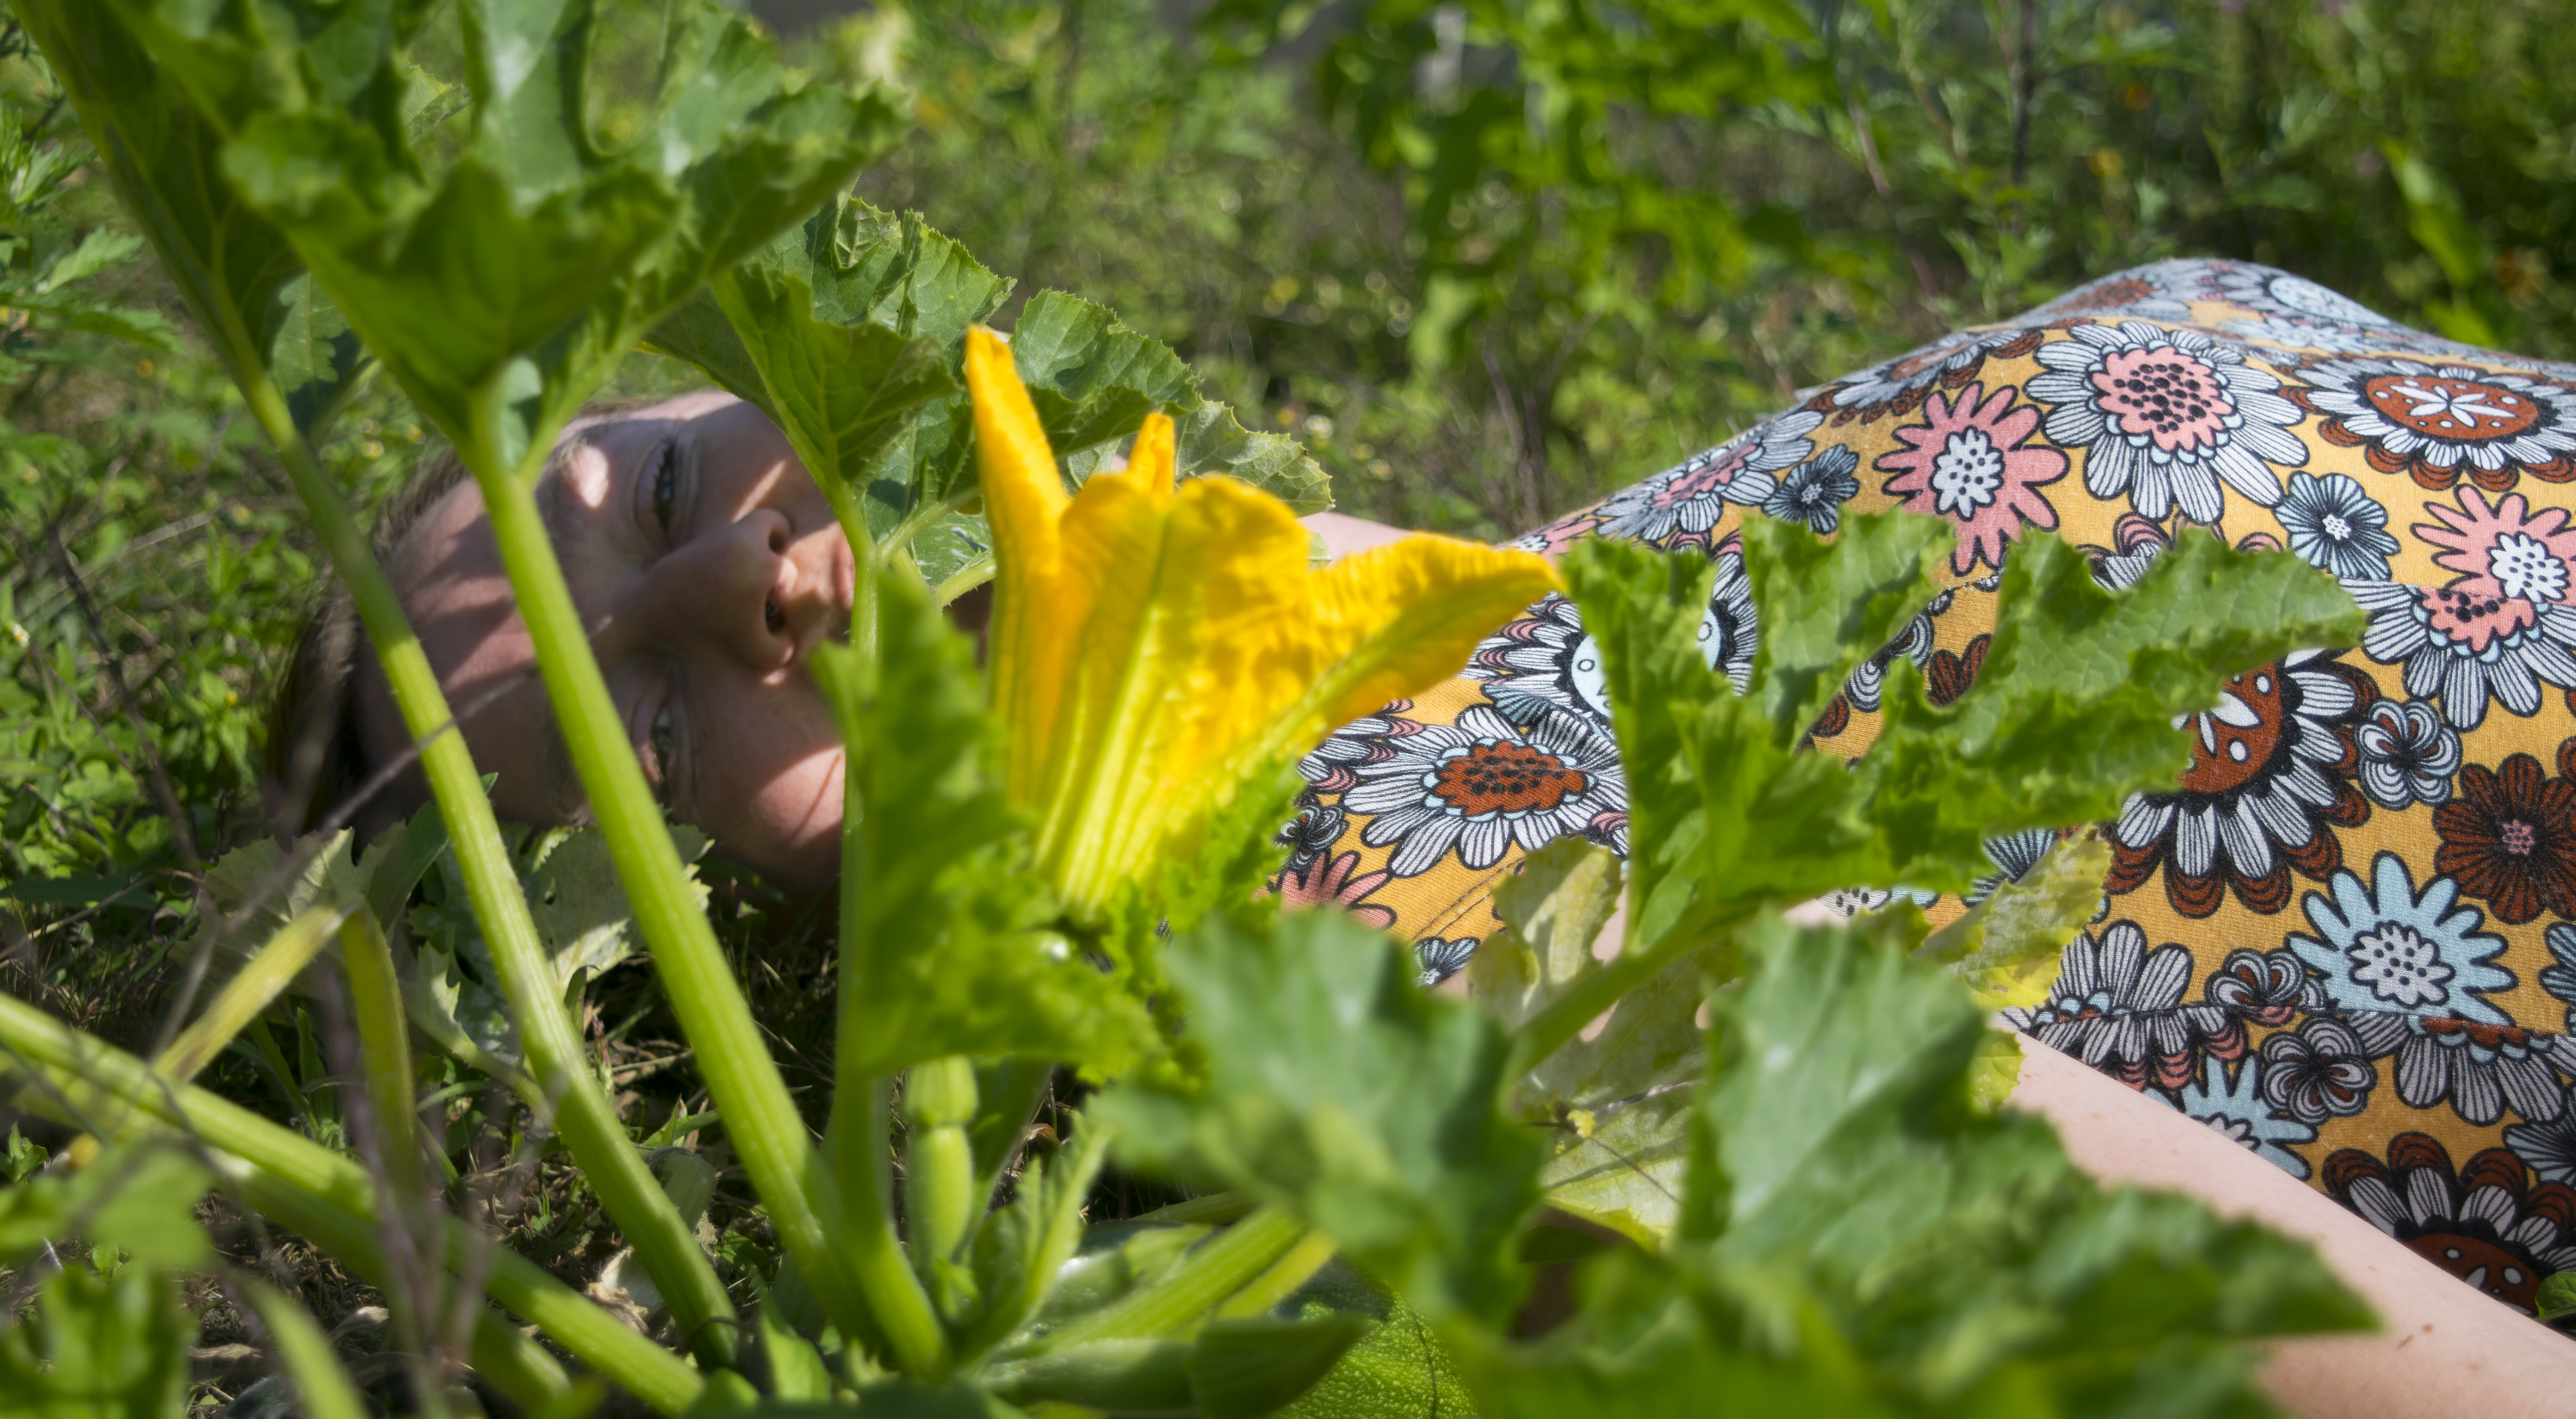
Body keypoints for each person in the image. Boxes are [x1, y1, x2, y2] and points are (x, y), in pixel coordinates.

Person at [268, 259, 2576, 1410]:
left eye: (653, 485)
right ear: (627, 940)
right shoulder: (1332, 984)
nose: (748, 589)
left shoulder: (1321, 654)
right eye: (644, 732)